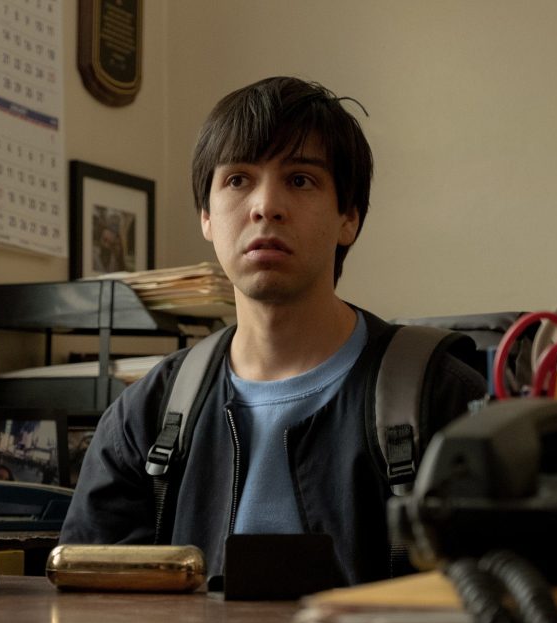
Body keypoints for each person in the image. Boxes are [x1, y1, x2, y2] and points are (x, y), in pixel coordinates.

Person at [60, 77, 486, 585]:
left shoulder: (441, 397)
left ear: (349, 217)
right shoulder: (148, 414)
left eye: (301, 180)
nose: (266, 206)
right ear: (206, 218)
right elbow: (92, 610)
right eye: (238, 180)